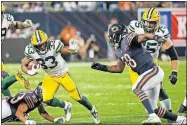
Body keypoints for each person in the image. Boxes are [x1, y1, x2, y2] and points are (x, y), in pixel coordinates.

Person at [91, 24, 186, 124]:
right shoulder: (121, 49)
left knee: (136, 88)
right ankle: (179, 120)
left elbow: (144, 36)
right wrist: (102, 67)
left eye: (113, 36)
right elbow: (118, 68)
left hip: (152, 70)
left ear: (119, 35)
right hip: (150, 74)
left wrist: (156, 37)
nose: (111, 39)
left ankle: (153, 117)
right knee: (152, 108)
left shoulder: (127, 38)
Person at [21, 30, 100, 124]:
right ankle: (66, 106)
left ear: (46, 41)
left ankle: (92, 110)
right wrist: (29, 72)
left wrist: (73, 49)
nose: (41, 47)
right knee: (47, 100)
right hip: (50, 76)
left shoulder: (54, 45)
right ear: (34, 45)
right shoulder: (31, 51)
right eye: (38, 45)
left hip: (63, 74)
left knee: (77, 97)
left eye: (43, 44)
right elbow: (23, 65)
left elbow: (69, 51)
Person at [127, 8, 179, 116]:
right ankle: (158, 115)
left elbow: (173, 55)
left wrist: (174, 72)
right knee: (141, 93)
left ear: (157, 22)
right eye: (146, 22)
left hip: (151, 64)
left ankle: (169, 116)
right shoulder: (135, 27)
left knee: (159, 91)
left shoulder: (162, 32)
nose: (148, 25)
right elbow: (126, 41)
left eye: (151, 23)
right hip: (136, 64)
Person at [1, 3, 32, 96]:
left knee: (2, 80)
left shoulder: (6, 18)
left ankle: (15, 77)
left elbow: (15, 24)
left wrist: (23, 24)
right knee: (3, 79)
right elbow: (15, 24)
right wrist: (24, 24)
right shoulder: (6, 18)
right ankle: (10, 101)